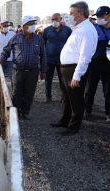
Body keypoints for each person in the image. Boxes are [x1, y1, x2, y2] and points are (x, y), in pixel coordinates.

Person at [50, 1, 98, 136]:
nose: (69, 16)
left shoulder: (87, 30)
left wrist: (77, 76)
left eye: (71, 13)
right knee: (66, 97)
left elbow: (85, 56)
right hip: (67, 68)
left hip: (74, 69)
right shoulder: (79, 28)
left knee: (76, 99)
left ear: (80, 14)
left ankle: (74, 126)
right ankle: (65, 120)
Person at [0, 16, 47, 120]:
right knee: (17, 92)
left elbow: (43, 55)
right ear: (24, 26)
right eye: (30, 24)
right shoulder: (16, 37)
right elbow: (6, 50)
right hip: (18, 71)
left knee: (29, 92)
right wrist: (1, 59)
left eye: (33, 24)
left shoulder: (39, 39)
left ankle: (25, 111)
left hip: (33, 71)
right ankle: (16, 111)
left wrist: (43, 70)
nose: (33, 26)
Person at [84, 6, 110, 121]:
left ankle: (108, 113)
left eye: (101, 16)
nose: (99, 18)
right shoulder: (93, 29)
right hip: (94, 64)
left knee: (108, 91)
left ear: (108, 15)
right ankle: (87, 110)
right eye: (97, 16)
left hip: (108, 65)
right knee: (90, 90)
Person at [42, 13, 72, 103]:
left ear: (60, 19)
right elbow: (43, 42)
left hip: (62, 60)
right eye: (52, 19)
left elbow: (71, 43)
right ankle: (48, 96)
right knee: (48, 79)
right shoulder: (47, 30)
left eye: (56, 19)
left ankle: (63, 97)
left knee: (62, 79)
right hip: (49, 59)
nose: (54, 21)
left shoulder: (67, 30)